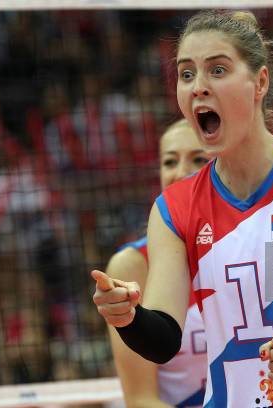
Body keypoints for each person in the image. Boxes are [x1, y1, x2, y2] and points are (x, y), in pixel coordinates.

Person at [93, 10, 273, 407]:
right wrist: (128, 317)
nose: (198, 87)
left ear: (260, 82)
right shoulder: (173, 210)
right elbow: (163, 339)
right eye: (186, 74)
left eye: (217, 70)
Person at [104, 119, 210, 407]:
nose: (180, 173)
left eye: (199, 159)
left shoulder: (263, 242)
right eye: (169, 162)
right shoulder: (131, 265)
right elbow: (140, 400)